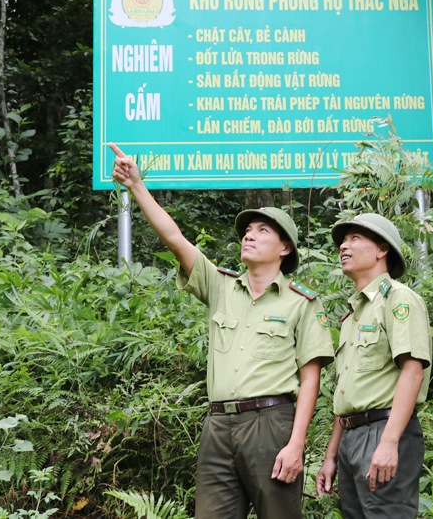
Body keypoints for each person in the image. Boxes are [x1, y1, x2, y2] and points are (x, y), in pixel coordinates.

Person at [109, 143, 334, 519]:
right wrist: (136, 186)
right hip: (217, 424)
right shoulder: (221, 285)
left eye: (263, 231)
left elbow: (310, 380)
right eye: (247, 230)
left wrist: (297, 444)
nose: (249, 235)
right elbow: (175, 238)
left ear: (285, 248)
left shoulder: (302, 303)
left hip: (270, 423)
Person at [314, 213, 431, 519]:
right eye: (343, 240)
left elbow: (413, 371)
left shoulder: (398, 299)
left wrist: (389, 442)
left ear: (382, 250)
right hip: (351, 437)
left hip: (385, 431)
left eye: (355, 238)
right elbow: (349, 395)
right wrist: (331, 456)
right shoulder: (355, 312)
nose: (343, 246)